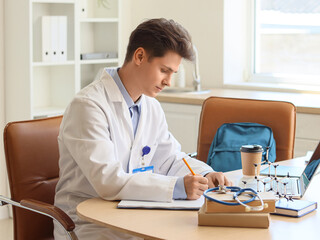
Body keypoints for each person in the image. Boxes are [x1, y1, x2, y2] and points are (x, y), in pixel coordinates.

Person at [54, 18, 232, 240]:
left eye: (173, 73)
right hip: (89, 223)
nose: (168, 81)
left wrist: (205, 174)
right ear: (139, 56)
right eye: (164, 70)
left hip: (135, 214)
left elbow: (171, 159)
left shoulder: (150, 106)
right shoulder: (88, 105)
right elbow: (108, 181)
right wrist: (177, 187)